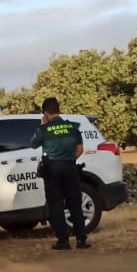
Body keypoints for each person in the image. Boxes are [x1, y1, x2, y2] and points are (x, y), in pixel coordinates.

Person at [30, 97, 90, 250]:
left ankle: (63, 241)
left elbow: (32, 144)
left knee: (56, 206)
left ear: (45, 112)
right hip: (70, 167)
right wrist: (68, 159)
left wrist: (42, 126)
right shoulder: (71, 128)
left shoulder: (43, 130)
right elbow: (80, 150)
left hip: (52, 170)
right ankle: (81, 240)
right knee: (75, 204)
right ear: (58, 110)